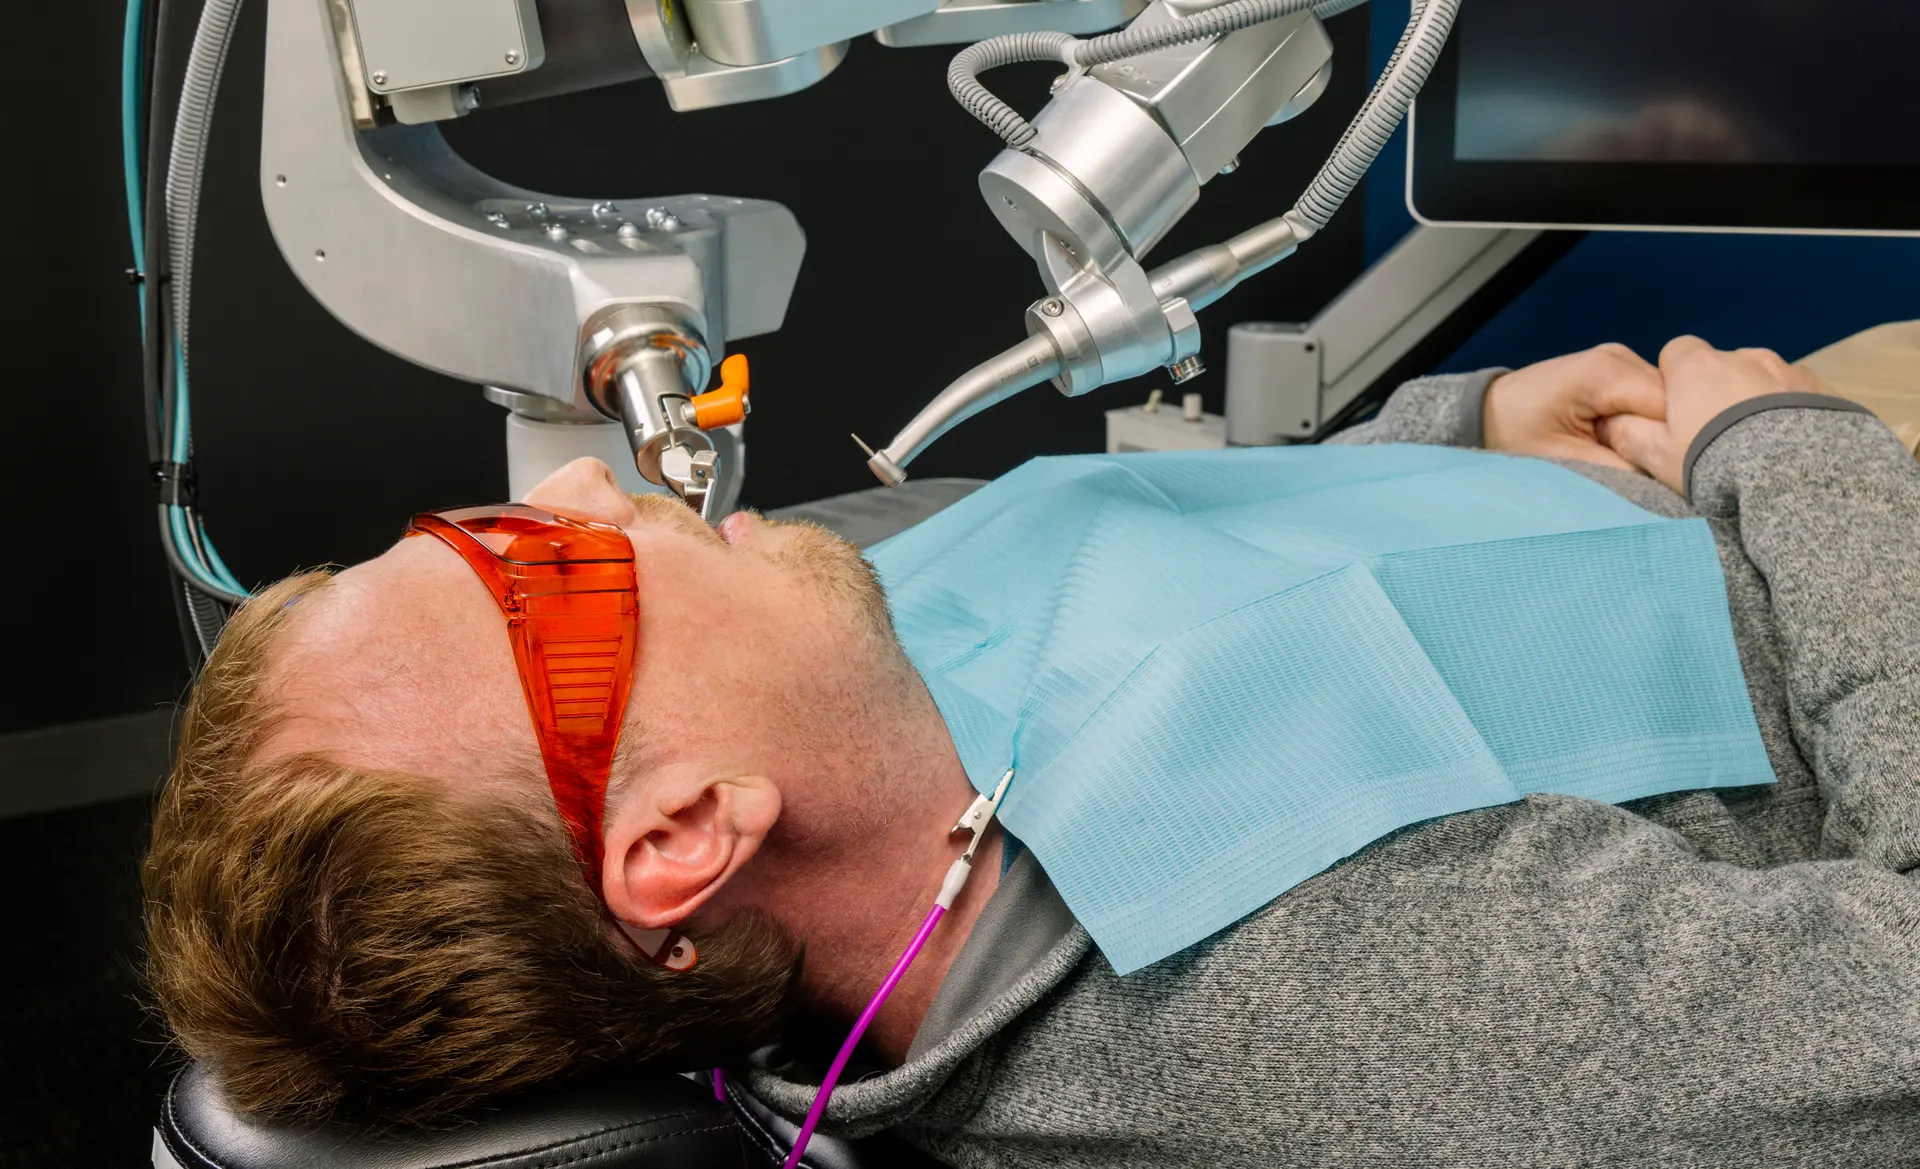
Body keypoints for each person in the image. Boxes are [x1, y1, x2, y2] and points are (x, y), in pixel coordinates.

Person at [144, 335, 1920, 1163]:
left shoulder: (827, 676)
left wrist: (1460, 433)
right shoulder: (1352, 1019)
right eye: (542, 576)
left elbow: (1172, 570)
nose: (586, 483)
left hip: (1670, 476)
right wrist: (1799, 456)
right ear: (681, 835)